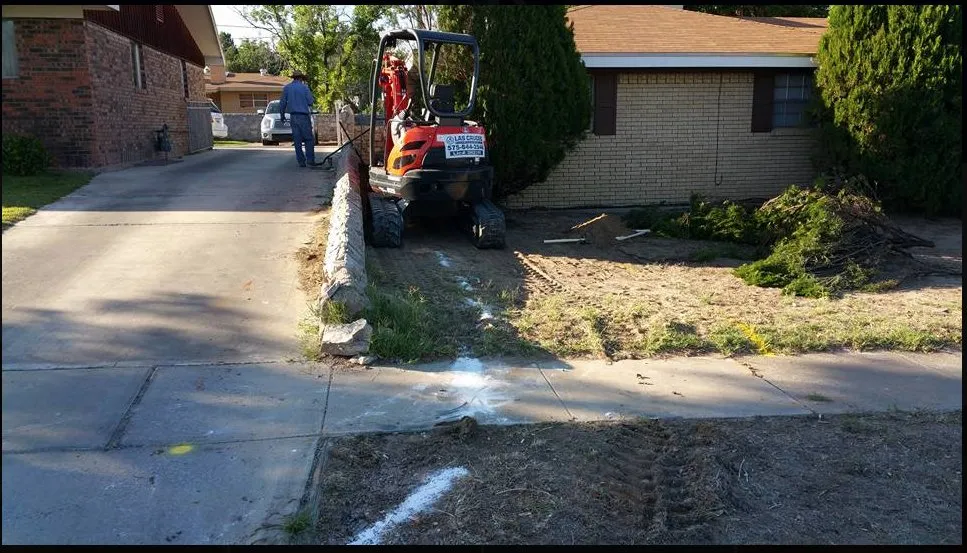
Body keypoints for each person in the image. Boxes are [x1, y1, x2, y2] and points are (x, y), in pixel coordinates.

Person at [279, 69, 316, 167]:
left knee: (297, 140)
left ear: (294, 78)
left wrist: (282, 115)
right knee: (308, 139)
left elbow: (282, 103)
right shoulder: (304, 88)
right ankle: (310, 160)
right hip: (303, 116)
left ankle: (301, 161)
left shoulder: (287, 88)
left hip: (293, 116)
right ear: (301, 78)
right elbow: (310, 102)